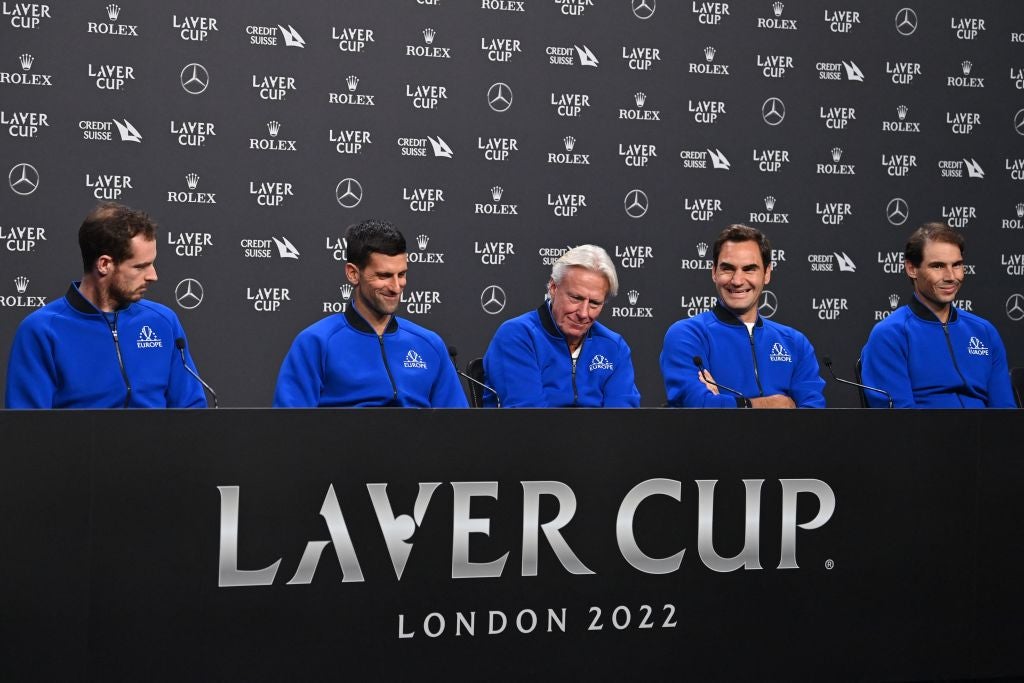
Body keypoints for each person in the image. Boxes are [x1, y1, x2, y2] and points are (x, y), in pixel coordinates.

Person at [4, 202, 207, 409]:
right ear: (104, 265)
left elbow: (192, 412)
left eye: (152, 263)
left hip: (157, 442)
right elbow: (26, 430)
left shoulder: (163, 321)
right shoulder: (41, 330)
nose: (153, 276)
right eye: (140, 266)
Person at [273, 219, 468, 407]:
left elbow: (459, 428)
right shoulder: (315, 342)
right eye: (384, 276)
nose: (396, 287)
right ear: (353, 274)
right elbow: (289, 429)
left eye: (401, 275)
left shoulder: (430, 344)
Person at [660, 224, 825, 408]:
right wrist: (774, 404)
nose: (737, 280)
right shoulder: (688, 335)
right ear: (714, 272)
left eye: (749, 269)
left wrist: (723, 403)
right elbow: (699, 407)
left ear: (767, 274)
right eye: (728, 269)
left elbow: (813, 417)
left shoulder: (795, 343)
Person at [860, 221, 1016, 408]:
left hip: (985, 436)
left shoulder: (984, 331)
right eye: (938, 266)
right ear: (912, 269)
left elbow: (1005, 413)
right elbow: (899, 423)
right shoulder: (890, 334)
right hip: (924, 436)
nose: (951, 276)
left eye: (957, 265)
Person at [482, 244, 640, 407]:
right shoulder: (517, 336)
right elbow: (527, 418)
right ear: (553, 288)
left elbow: (623, 420)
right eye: (576, 298)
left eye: (594, 303)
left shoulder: (614, 347)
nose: (583, 313)